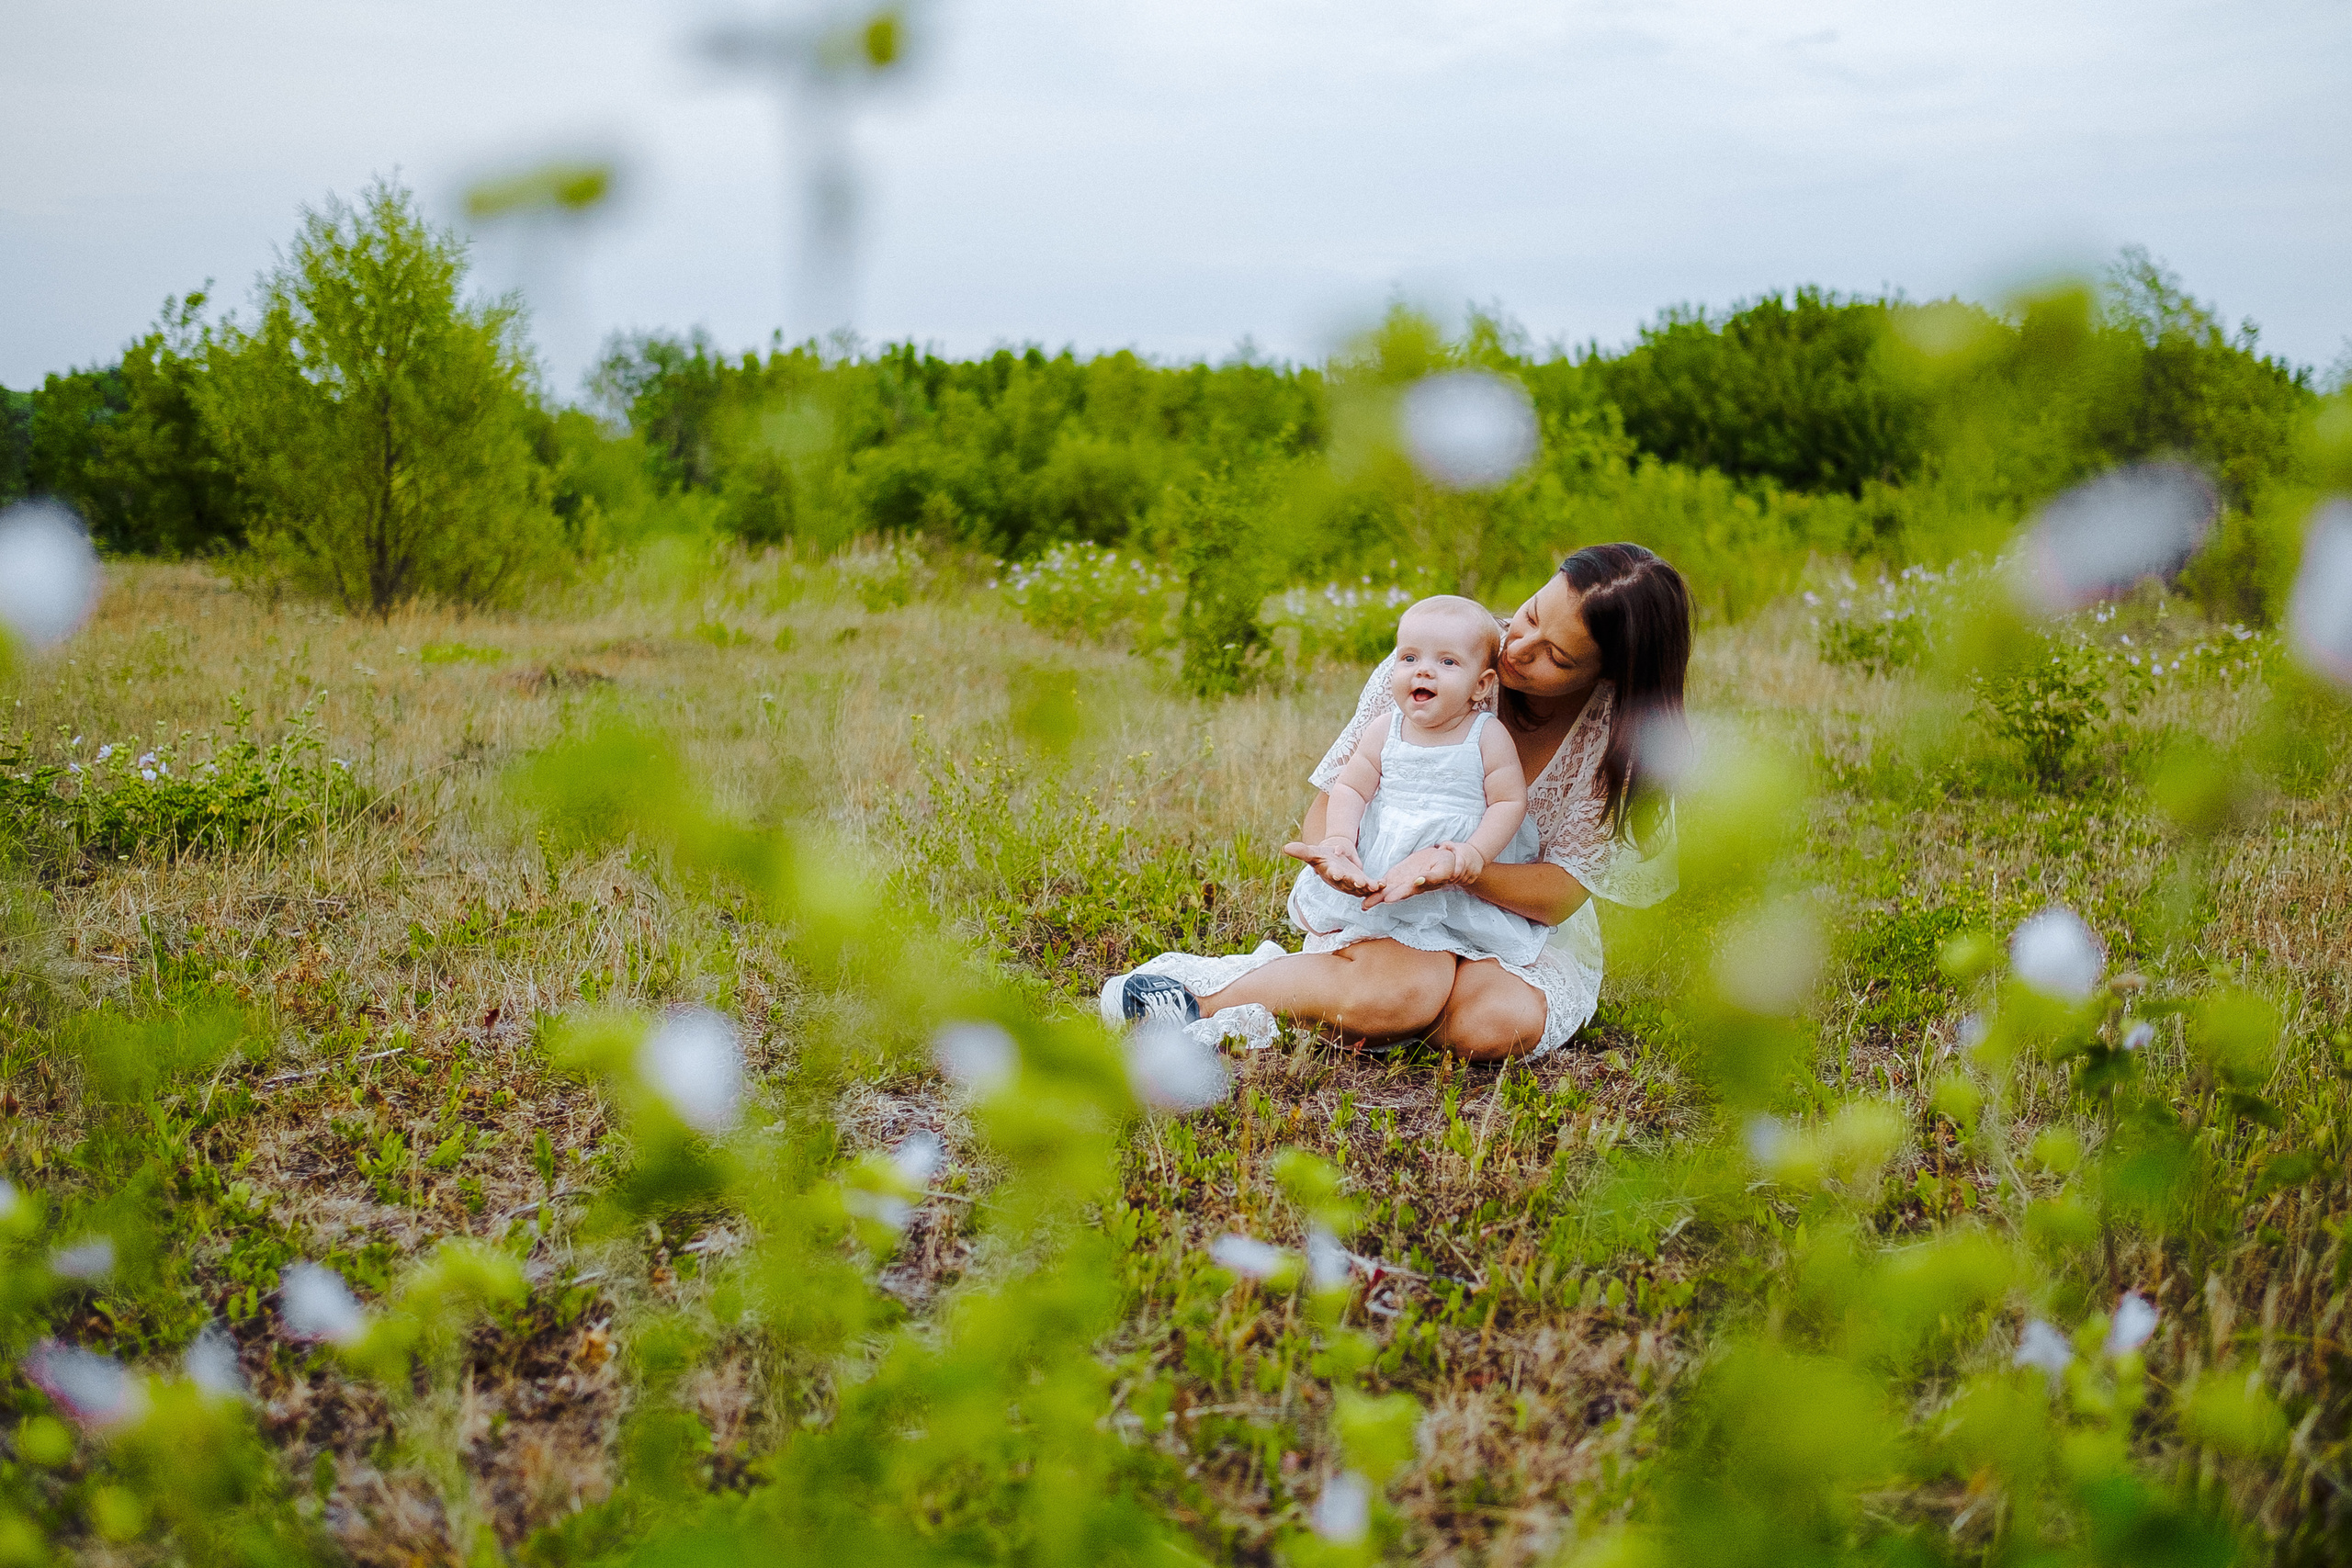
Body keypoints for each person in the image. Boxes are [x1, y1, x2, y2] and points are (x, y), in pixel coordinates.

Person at [1101, 542, 1691, 1061]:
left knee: (1488, 1027)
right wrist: (1341, 855)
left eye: (1556, 657)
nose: (1519, 648)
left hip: (1516, 924)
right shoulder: (1444, 653)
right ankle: (1199, 1001)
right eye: (1532, 614)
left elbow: (1559, 894)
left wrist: (1454, 869)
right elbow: (1345, 784)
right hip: (1396, 903)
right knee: (1407, 988)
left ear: (1608, 676)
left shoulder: (1621, 745)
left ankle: (1359, 1000)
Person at [1283, 593, 1548, 969]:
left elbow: (1508, 803)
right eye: (1409, 658)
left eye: (1447, 661)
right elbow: (1351, 788)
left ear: (1481, 685)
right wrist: (1340, 837)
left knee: (1448, 942)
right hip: (1384, 858)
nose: (1423, 671)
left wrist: (1473, 853)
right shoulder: (1384, 730)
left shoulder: (1486, 735)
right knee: (1379, 935)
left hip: (1452, 870)